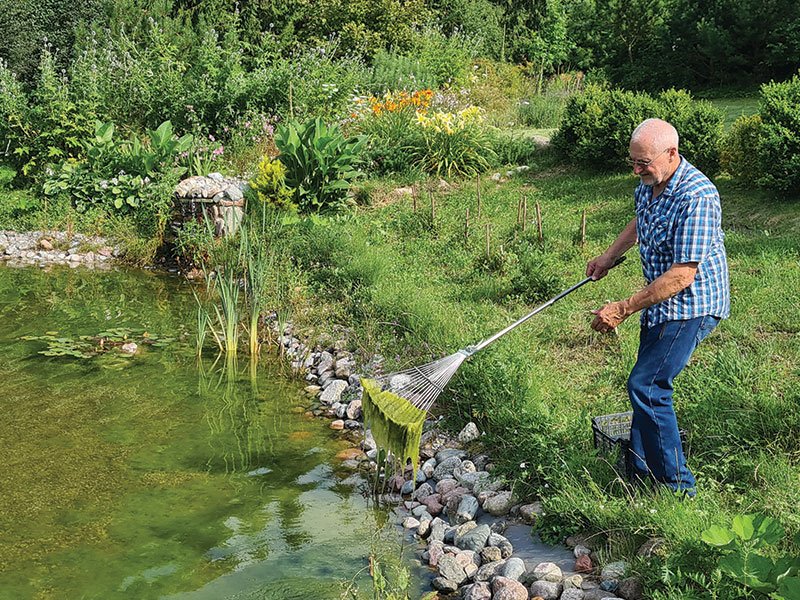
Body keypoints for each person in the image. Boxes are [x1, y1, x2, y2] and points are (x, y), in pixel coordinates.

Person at [586, 118, 730, 497]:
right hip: (661, 302)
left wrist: (623, 306)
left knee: (648, 386)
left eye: (643, 163)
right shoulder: (650, 182)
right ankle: (640, 470)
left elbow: (683, 275)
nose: (637, 170)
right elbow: (640, 220)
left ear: (672, 154)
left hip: (692, 304)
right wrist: (608, 256)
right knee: (643, 382)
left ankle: (678, 488)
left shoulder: (697, 195)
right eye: (632, 162)